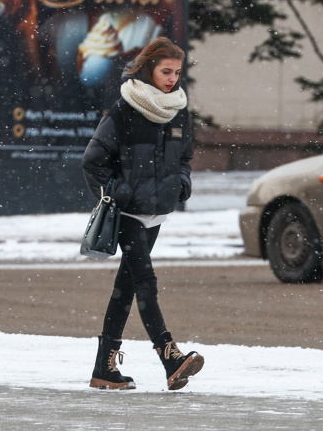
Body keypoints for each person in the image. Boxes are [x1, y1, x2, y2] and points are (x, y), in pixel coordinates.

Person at [82, 37, 203, 390]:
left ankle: (104, 368)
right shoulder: (124, 110)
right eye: (166, 72)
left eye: (177, 72)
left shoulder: (178, 109)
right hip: (129, 214)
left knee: (126, 287)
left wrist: (181, 184)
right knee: (145, 282)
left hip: (157, 212)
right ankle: (170, 357)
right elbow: (93, 162)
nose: (173, 79)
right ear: (149, 70)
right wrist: (120, 195)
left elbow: (184, 157)